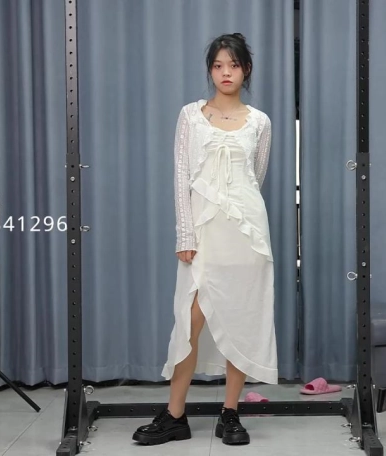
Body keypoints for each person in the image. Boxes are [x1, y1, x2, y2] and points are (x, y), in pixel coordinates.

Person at [132, 32, 277, 446]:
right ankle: (175, 414)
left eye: (233, 65)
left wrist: (238, 210)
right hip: (202, 232)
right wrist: (186, 232)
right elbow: (181, 178)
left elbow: (255, 178)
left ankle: (230, 413)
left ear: (246, 70)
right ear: (210, 70)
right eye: (217, 65)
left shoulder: (260, 122)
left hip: (247, 232)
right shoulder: (191, 116)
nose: (225, 72)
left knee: (242, 317)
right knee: (190, 320)